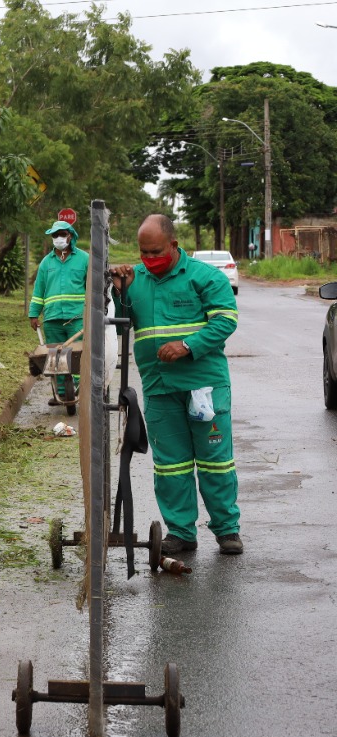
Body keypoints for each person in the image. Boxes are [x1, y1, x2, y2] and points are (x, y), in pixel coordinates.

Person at [110, 213, 242, 555]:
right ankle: (181, 532)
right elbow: (123, 327)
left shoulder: (205, 277)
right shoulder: (135, 280)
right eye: (143, 253)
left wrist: (188, 346)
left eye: (156, 252)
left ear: (174, 245)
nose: (149, 260)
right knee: (171, 465)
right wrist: (119, 290)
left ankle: (227, 530)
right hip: (158, 386)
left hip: (203, 387)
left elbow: (226, 321)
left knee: (215, 460)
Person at [29, 219, 88, 404]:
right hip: (52, 317)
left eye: (62, 234)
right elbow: (39, 290)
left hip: (76, 318)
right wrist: (33, 313)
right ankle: (60, 392)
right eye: (55, 235)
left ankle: (79, 390)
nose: (58, 238)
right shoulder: (47, 262)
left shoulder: (84, 259)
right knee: (55, 357)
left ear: (70, 236)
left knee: (77, 355)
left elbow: (92, 288)